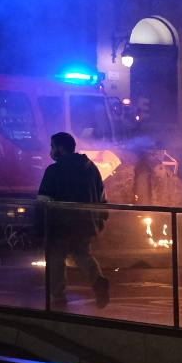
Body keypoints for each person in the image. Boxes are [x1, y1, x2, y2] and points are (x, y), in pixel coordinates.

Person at [38, 131, 110, 309]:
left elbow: (44, 200)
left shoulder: (53, 170)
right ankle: (98, 282)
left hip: (59, 224)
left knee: (56, 258)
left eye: (52, 146)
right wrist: (100, 218)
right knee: (83, 255)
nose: (51, 150)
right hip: (85, 223)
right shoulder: (91, 168)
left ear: (60, 148)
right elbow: (102, 195)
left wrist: (39, 226)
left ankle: (58, 296)